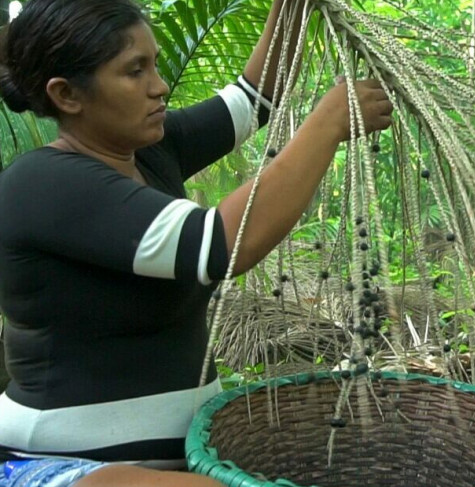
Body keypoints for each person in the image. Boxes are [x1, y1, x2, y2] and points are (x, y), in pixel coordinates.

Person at [0, 0, 393, 485]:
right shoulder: (39, 183)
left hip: (192, 455)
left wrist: (295, 6)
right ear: (66, 94)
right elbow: (222, 244)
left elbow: (257, 97)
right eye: (134, 71)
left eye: (156, 65)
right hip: (66, 467)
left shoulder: (150, 150)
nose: (159, 86)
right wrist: (329, 120)